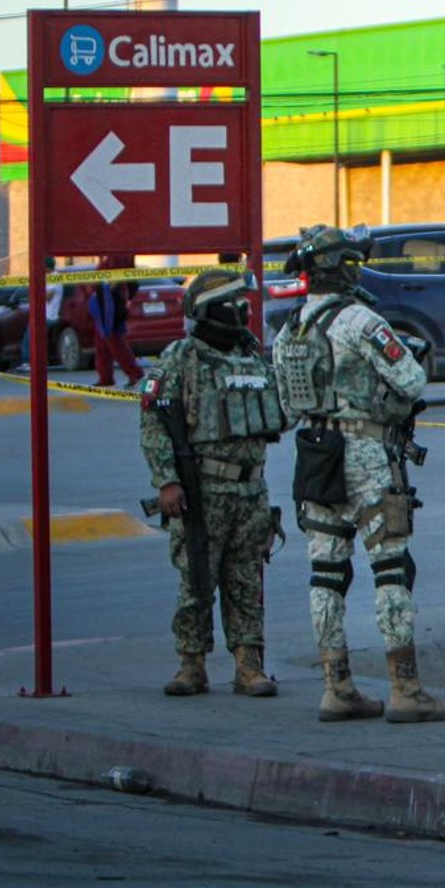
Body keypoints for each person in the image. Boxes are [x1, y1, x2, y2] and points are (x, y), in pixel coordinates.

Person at [273, 224, 445, 724]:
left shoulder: (290, 327)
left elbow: (287, 404)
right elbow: (413, 377)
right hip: (368, 454)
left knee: (326, 573)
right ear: (344, 268)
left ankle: (337, 686)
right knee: (390, 566)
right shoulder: (361, 320)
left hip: (314, 454)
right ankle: (405, 688)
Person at [140, 269, 287, 698]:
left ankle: (248, 666)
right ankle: (191, 663)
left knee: (245, 582)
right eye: (236, 304)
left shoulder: (253, 357)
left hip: (250, 492)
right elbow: (153, 423)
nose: (244, 311)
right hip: (201, 490)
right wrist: (167, 481)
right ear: (212, 309)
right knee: (196, 581)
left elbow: (280, 413)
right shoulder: (180, 359)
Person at [90, 255, 144, 388]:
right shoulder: (109, 252)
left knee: (114, 339)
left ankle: (135, 373)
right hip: (106, 297)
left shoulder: (118, 252)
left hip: (111, 299)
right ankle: (105, 377)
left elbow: (117, 277)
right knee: (101, 340)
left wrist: (110, 293)